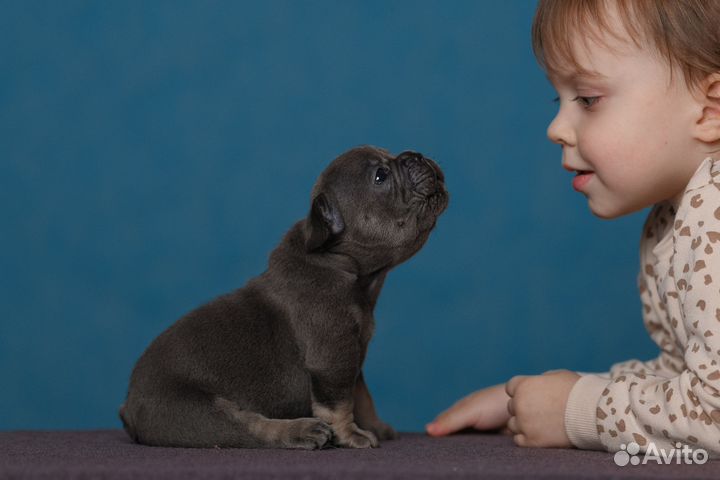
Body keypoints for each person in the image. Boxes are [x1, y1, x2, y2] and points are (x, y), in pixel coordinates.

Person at [426, 0, 720, 455]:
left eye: (587, 99)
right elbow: (688, 378)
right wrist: (534, 401)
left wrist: (577, 410)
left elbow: (714, 413)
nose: (557, 127)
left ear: (709, 109)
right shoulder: (675, 214)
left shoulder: (713, 212)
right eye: (558, 99)